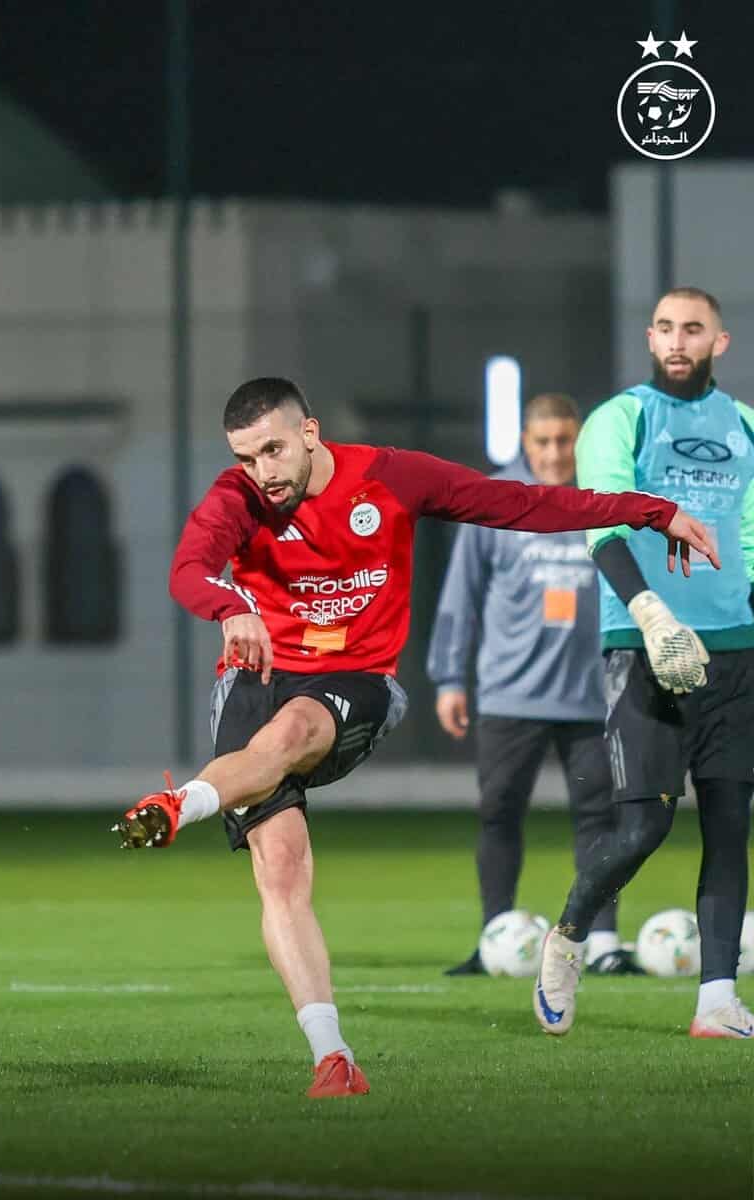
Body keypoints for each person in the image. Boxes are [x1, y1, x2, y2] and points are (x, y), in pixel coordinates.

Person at [112, 376, 716, 1098]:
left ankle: (180, 806)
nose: (262, 472)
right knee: (282, 870)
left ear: (309, 433)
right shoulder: (236, 498)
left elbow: (523, 504)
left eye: (273, 450)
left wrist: (651, 510)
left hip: (352, 679)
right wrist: (226, 607)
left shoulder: (389, 477)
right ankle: (333, 1058)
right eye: (246, 457)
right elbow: (188, 569)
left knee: (294, 731)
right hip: (255, 676)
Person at [534, 287, 754, 1040]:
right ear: (651, 339)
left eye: (693, 329)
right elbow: (602, 524)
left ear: (719, 342)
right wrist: (651, 615)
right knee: (643, 828)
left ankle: (716, 1001)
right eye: (665, 328)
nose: (677, 340)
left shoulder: (744, 426)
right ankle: (568, 937)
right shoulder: (619, 418)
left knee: (729, 822)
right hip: (642, 642)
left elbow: (749, 537)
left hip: (734, 649)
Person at [427, 392, 639, 976]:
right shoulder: (493, 501)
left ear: (579, 440)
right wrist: (449, 677)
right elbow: (461, 595)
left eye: (564, 440)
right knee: (499, 814)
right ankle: (495, 936)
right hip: (509, 693)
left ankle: (602, 943)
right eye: (543, 441)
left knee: (601, 820)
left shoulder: (602, 497)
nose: (554, 452)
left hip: (592, 694)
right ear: (525, 442)